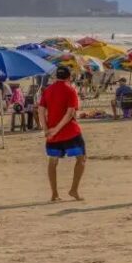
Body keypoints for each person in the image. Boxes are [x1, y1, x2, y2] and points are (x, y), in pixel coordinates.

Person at [38, 66, 86, 202]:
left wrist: (46, 129)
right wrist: (56, 129)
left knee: (53, 161)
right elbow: (70, 113)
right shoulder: (70, 90)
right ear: (69, 77)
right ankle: (74, 190)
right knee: (81, 158)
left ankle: (54, 194)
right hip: (70, 131)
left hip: (52, 134)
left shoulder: (48, 90)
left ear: (56, 76)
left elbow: (41, 110)